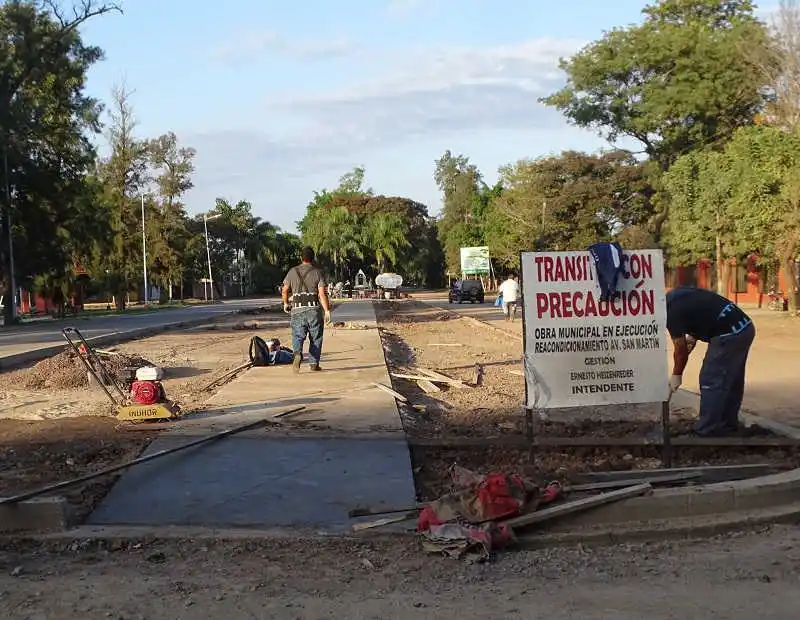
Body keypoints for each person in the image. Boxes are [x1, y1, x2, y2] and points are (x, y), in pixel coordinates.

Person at [666, 286, 755, 437]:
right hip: (745, 327)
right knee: (730, 380)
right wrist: (693, 335)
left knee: (711, 380)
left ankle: (705, 431)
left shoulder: (669, 313)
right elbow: (702, 309)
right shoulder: (676, 296)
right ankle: (727, 425)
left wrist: (676, 375)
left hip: (728, 334)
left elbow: (680, 351)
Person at [281, 247, 332, 373]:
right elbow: (322, 294)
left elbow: (284, 290)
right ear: (313, 258)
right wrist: (327, 310)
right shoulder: (317, 272)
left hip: (297, 308)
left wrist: (286, 303)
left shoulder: (292, 272)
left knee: (297, 335)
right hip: (313, 309)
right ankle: (314, 363)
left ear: (301, 257)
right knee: (316, 337)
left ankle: (297, 353)